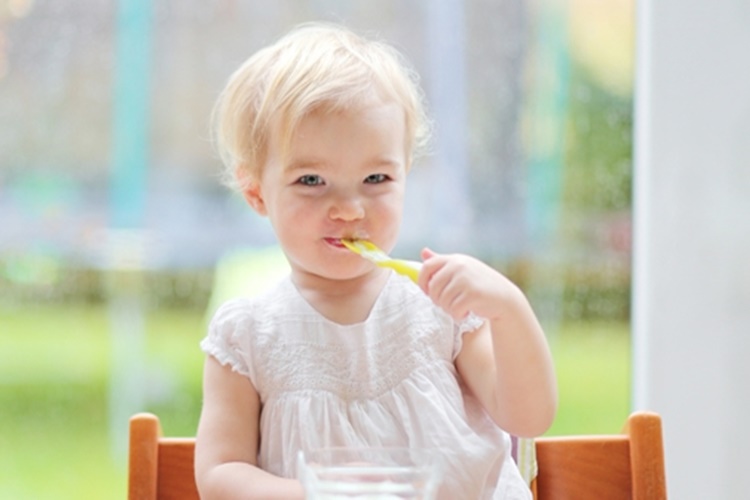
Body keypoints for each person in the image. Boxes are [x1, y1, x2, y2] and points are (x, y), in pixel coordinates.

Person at [195, 22, 557, 500]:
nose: (349, 209)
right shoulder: (248, 337)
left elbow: (529, 418)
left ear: (406, 175)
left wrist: (508, 307)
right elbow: (219, 475)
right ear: (256, 193)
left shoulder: (442, 307)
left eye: (376, 178)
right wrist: (317, 494)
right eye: (311, 181)